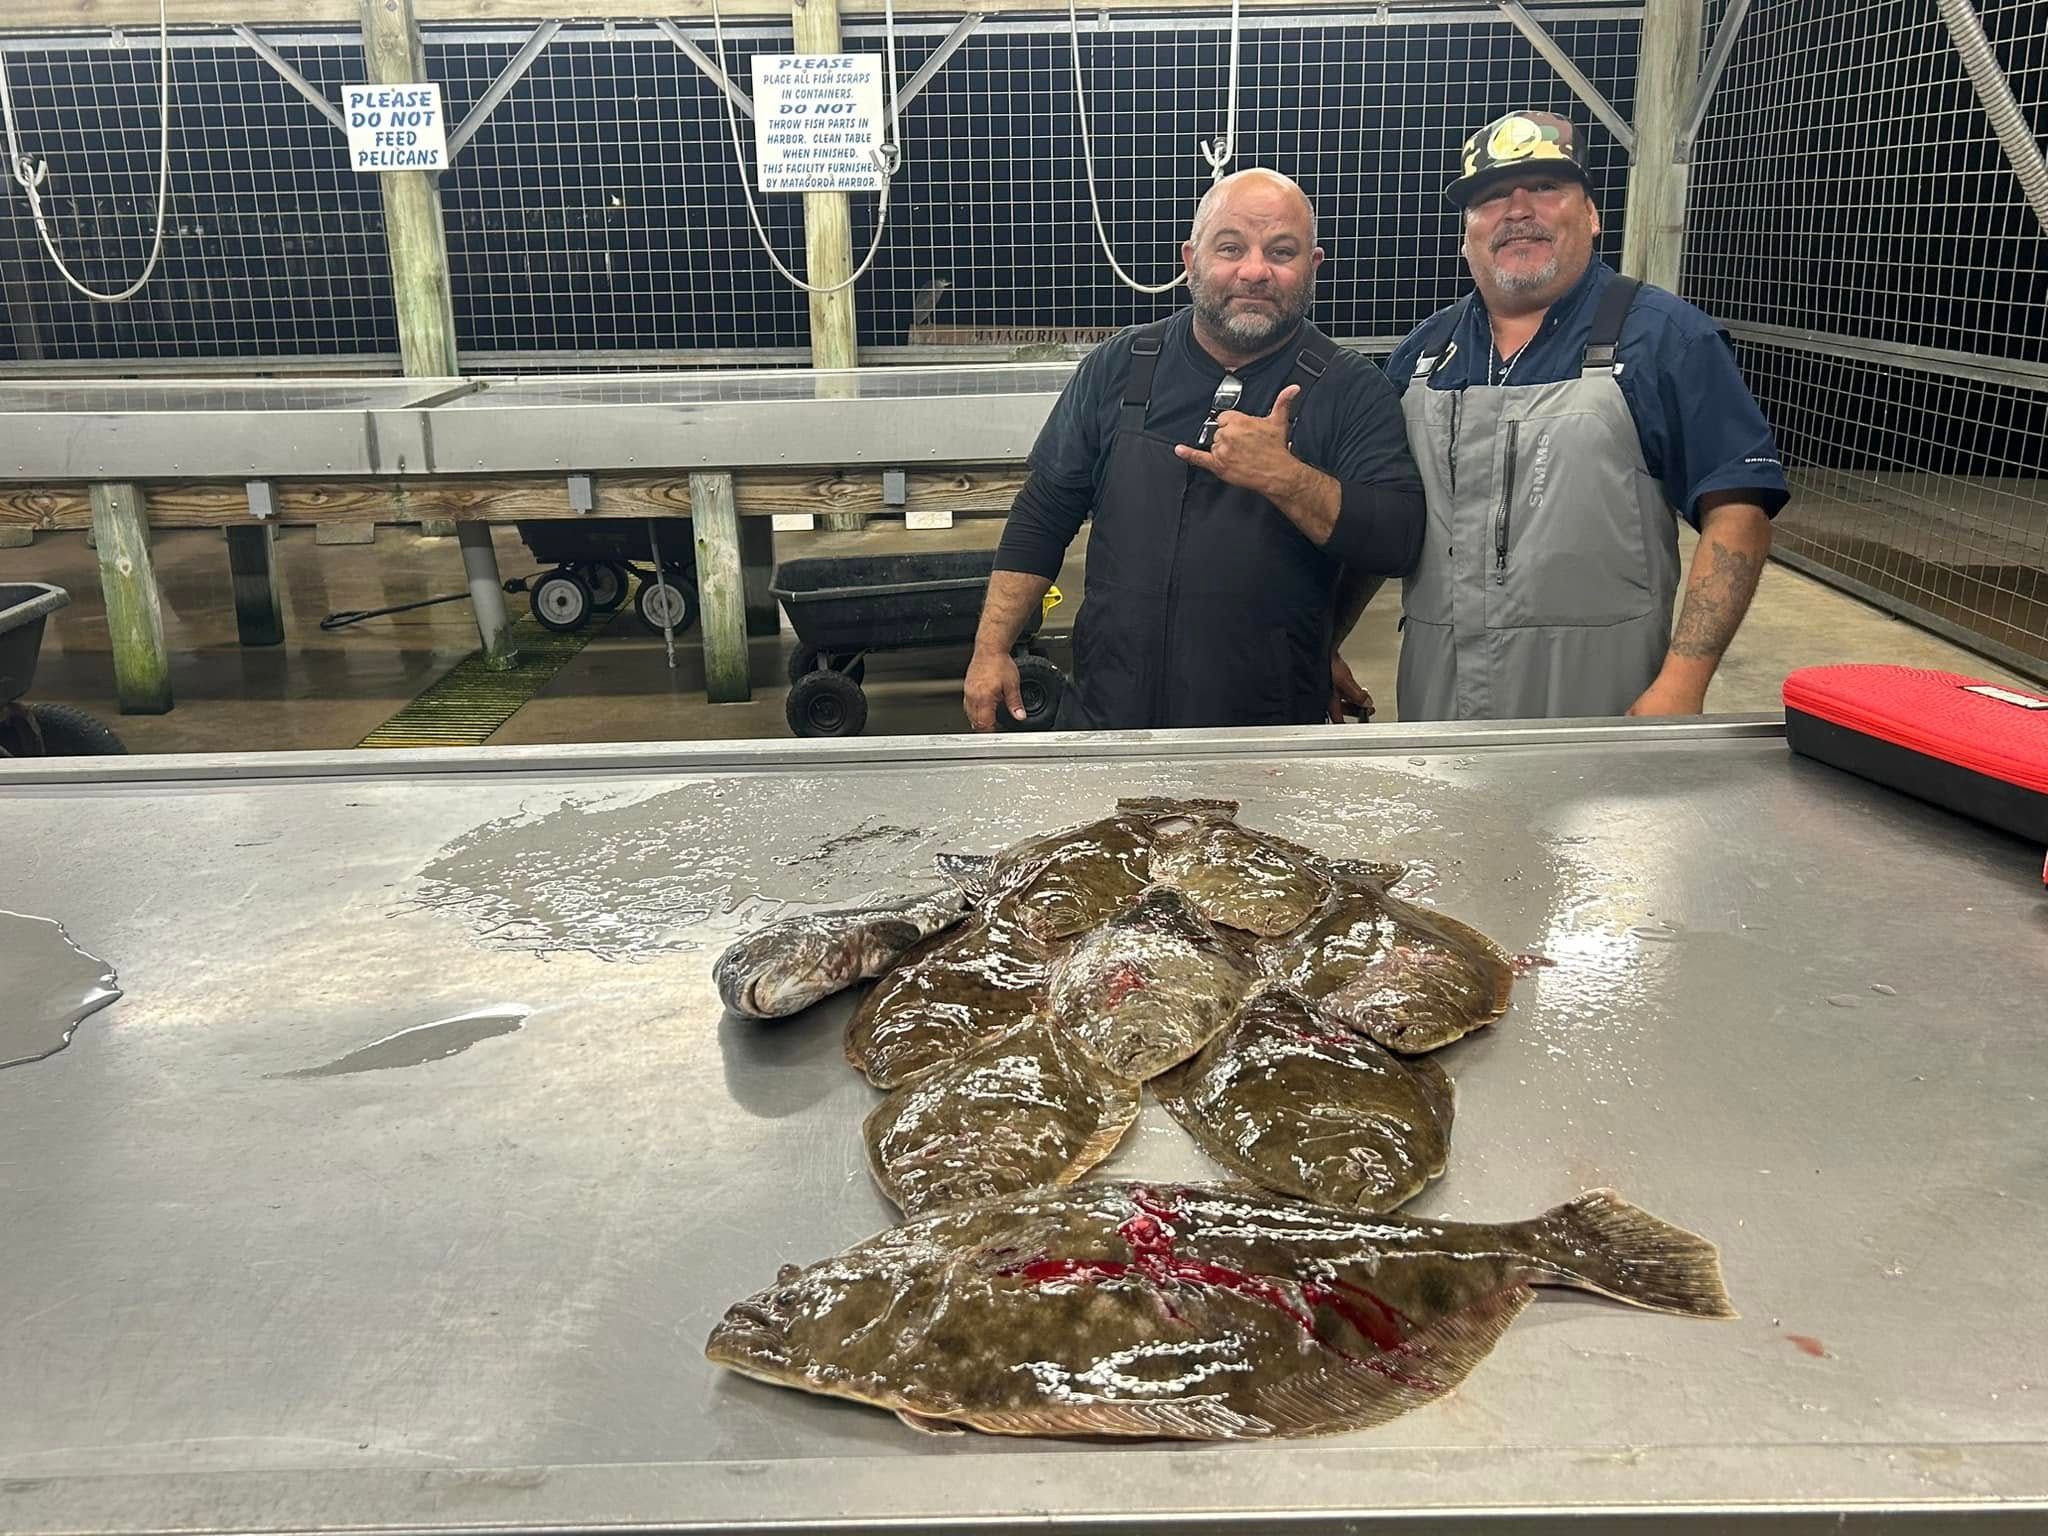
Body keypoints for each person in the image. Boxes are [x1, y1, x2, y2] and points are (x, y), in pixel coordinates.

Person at [963, 168, 1425, 732]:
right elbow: (1043, 514)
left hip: (1268, 734)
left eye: (1282, 252)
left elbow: (1395, 539)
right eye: (1230, 247)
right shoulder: (1119, 366)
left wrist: (1285, 477)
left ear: (1313, 267)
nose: (1254, 271)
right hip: (1110, 714)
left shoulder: (1351, 388)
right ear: (1190, 259)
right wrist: (992, 648)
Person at [1385, 111, 1790, 721]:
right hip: (1438, 699)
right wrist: (1328, 641)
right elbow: (1380, 518)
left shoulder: (1663, 339)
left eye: (1546, 188)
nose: (1518, 209)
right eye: (1491, 197)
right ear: (1467, 231)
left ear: (1593, 215)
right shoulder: (1421, 357)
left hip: (1602, 702)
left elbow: (1738, 514)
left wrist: (1682, 683)